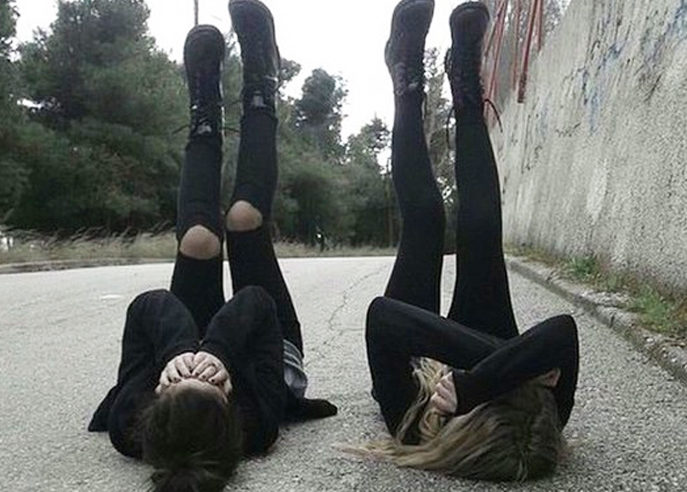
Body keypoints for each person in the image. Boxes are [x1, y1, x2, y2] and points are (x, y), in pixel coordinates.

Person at [87, 1, 337, 490]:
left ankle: (204, 111)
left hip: (186, 334)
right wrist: (220, 353)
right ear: (231, 409)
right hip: (265, 342)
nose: (198, 372)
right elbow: (255, 303)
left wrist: (178, 352)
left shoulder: (128, 425)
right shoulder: (256, 425)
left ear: (155, 400)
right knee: (244, 220)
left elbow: (147, 308)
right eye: (212, 383)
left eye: (180, 381)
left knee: (199, 240)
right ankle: (262, 86)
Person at [361, 0, 579, 481]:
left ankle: (406, 78)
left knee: (425, 220)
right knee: (480, 227)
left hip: (412, 351)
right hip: (484, 339)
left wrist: (493, 373)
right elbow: (563, 330)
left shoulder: (411, 422)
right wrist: (487, 380)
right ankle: (466, 88)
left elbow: (383, 317)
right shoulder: (545, 418)